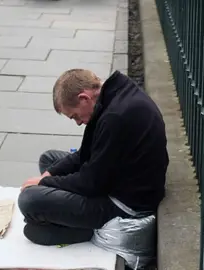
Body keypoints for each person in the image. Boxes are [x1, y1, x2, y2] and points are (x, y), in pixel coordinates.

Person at [18, 69, 169, 246]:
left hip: (124, 205)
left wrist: (43, 184)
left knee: (29, 200)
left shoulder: (115, 118)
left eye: (75, 116)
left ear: (84, 98)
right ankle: (62, 217)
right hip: (113, 181)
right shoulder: (114, 95)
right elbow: (85, 155)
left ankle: (89, 231)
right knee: (49, 159)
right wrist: (49, 175)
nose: (78, 122)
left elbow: (90, 183)